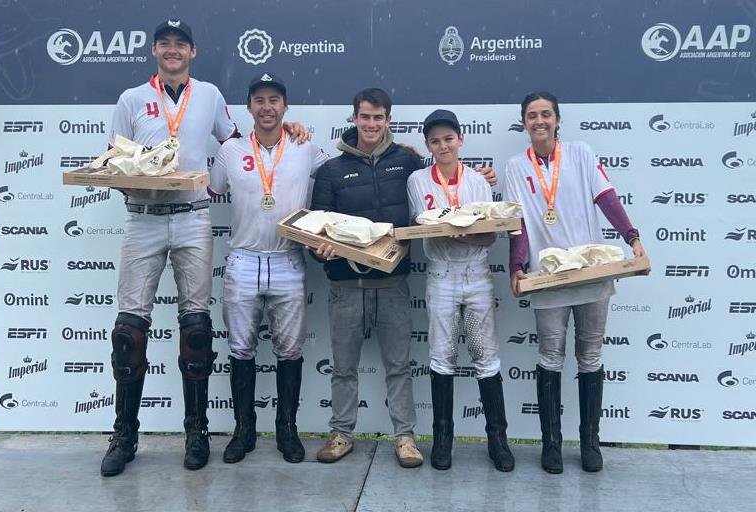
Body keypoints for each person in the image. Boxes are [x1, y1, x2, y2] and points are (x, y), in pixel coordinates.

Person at [99, 20, 305, 476]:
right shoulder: (131, 99)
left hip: (193, 219)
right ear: (154, 50)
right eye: (165, 44)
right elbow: (113, 165)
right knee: (128, 333)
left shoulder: (209, 95)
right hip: (144, 219)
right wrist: (139, 182)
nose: (173, 51)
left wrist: (288, 130)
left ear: (192, 51)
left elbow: (238, 145)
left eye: (181, 45)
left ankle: (197, 431)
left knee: (196, 331)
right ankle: (124, 435)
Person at [310, 88, 496, 468]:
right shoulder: (330, 169)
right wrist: (319, 248)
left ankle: (405, 437)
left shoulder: (408, 161)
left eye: (379, 117)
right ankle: (342, 433)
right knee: (343, 368)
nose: (372, 124)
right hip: (345, 287)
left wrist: (480, 177)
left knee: (399, 367)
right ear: (354, 118)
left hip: (393, 284)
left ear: (388, 120)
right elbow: (318, 226)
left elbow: (443, 180)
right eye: (365, 117)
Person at [502, 91, 647, 474]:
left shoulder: (581, 154)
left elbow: (607, 198)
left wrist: (632, 237)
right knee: (550, 356)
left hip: (590, 273)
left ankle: (590, 443)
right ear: (524, 122)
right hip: (548, 278)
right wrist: (516, 265)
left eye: (546, 114)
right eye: (532, 115)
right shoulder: (516, 166)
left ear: (557, 119)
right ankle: (551, 444)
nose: (539, 121)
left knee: (590, 357)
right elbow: (517, 223)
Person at [208, 72, 327, 464]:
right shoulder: (231, 151)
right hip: (243, 259)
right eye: (259, 100)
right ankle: (244, 431)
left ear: (285, 106)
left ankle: (286, 431)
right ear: (249, 108)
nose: (267, 107)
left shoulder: (305, 145)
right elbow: (212, 189)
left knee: (289, 350)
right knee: (240, 349)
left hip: (289, 261)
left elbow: (342, 172)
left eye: (274, 100)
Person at [406, 109, 514, 471]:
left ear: (460, 139)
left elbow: (490, 235)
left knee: (486, 356)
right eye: (435, 140)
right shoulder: (418, 180)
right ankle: (442, 441)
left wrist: (460, 229)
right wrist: (452, 228)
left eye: (448, 138)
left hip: (476, 273)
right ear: (428, 145)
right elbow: (421, 226)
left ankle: (498, 441)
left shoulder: (479, 182)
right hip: (440, 274)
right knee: (441, 357)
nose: (443, 145)